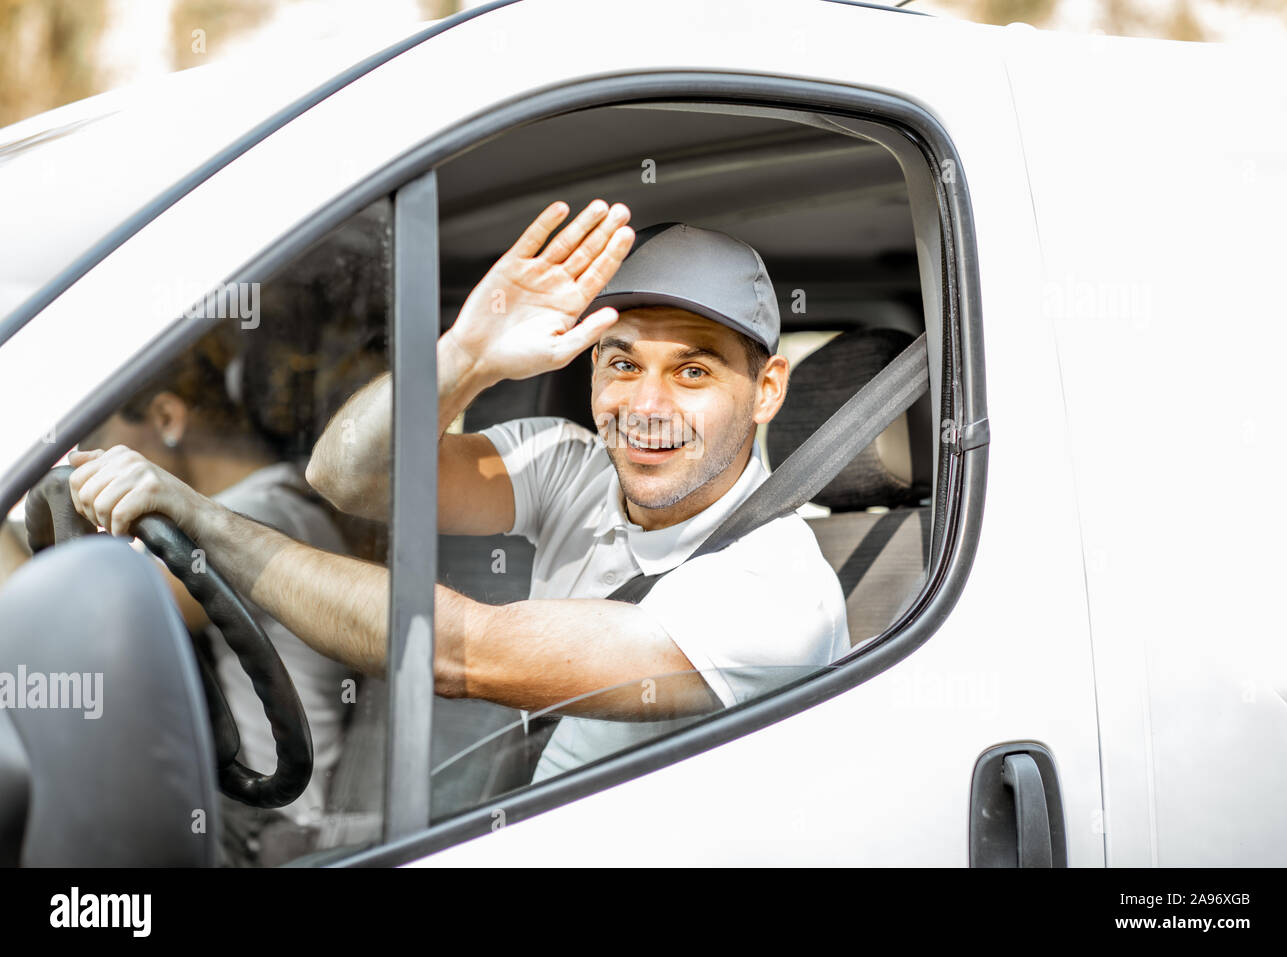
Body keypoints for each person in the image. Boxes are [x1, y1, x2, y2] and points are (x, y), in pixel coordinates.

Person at [63, 199, 849, 785]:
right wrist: (465, 355)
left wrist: (203, 521)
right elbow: (347, 475)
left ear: (768, 388)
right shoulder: (572, 465)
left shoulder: (778, 587)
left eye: (693, 370)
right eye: (621, 363)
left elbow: (463, 652)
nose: (645, 406)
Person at [66, 339, 353, 862]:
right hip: (257, 806)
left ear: (167, 416)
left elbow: (88, 633)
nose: (86, 465)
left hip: (273, 823)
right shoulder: (271, 504)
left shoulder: (253, 521)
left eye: (99, 442)